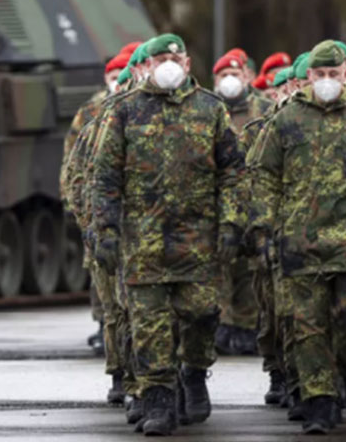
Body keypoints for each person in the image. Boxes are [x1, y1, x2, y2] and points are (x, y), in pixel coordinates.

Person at [249, 40, 346, 434]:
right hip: (300, 246)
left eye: (332, 74)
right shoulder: (286, 121)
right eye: (319, 75)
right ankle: (319, 400)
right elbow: (266, 177)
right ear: (308, 77)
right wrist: (261, 228)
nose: (325, 82)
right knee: (307, 329)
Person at [92, 34, 244, 436]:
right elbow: (106, 176)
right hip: (143, 244)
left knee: (201, 314)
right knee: (149, 325)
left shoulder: (210, 109)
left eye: (175, 57)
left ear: (188, 63)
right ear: (149, 63)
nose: (168, 63)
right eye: (161, 57)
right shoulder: (125, 111)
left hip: (197, 242)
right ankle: (158, 399)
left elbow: (232, 171)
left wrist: (231, 223)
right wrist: (105, 229)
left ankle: (193, 371)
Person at [63, 42, 140, 353]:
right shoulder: (92, 114)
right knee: (101, 275)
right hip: (102, 210)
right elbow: (74, 163)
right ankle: (106, 329)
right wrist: (79, 210)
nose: (118, 79)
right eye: (113, 74)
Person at [213, 50, 274, 355]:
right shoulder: (210, 109)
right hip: (221, 202)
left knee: (252, 265)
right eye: (223, 76)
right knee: (222, 262)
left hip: (255, 199)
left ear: (246, 77)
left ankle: (248, 324)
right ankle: (224, 321)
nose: (229, 81)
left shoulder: (264, 108)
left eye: (234, 75)